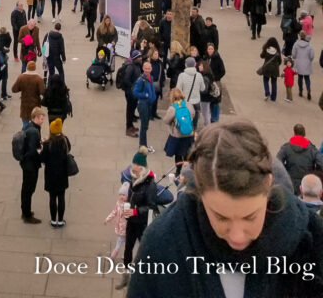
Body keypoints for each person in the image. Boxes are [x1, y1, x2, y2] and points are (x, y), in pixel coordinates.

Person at [127, 120, 323, 298]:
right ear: (200, 192)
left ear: (268, 185)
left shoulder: (312, 239)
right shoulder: (160, 243)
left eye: (249, 217)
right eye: (221, 218)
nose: (237, 237)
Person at [121, 147, 158, 273]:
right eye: (134, 163)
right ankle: (126, 267)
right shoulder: (134, 177)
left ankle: (145, 270)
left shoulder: (149, 183)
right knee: (128, 245)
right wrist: (127, 201)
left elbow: (152, 206)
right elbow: (133, 195)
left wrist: (135, 211)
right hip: (131, 220)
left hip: (142, 222)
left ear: (142, 167)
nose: (133, 166)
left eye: (136, 164)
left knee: (144, 247)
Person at [39, 118, 71, 228]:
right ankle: (61, 220)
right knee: (61, 197)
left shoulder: (48, 144)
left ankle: (53, 220)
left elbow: (42, 158)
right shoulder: (65, 141)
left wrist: (42, 147)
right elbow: (68, 150)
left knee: (52, 197)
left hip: (51, 174)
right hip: (62, 174)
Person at [276, 124, 323, 195]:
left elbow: (277, 162)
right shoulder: (312, 149)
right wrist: (314, 172)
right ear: (304, 134)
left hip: (290, 182)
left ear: (294, 133)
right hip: (306, 184)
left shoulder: (286, 147)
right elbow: (321, 163)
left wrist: (285, 170)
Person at [162, 86, 195, 180]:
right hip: (189, 134)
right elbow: (193, 114)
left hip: (177, 136)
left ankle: (178, 171)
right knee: (187, 153)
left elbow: (166, 120)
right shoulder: (188, 105)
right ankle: (188, 171)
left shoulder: (173, 108)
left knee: (178, 154)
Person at [21, 107, 45, 224]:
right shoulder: (34, 131)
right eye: (41, 118)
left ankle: (25, 211)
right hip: (30, 165)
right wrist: (41, 151)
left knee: (27, 188)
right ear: (35, 118)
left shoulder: (30, 127)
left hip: (26, 163)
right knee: (29, 189)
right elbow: (32, 151)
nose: (42, 121)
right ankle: (26, 214)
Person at [12, 61, 45, 128]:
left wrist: (22, 88)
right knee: (36, 124)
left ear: (27, 67)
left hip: (25, 104)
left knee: (25, 124)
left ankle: (25, 136)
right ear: (35, 68)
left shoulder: (21, 77)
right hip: (35, 104)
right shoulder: (39, 79)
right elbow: (43, 92)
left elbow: (14, 89)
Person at [132, 60, 157, 150]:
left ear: (151, 69)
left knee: (145, 126)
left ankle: (144, 145)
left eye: (149, 68)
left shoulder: (151, 77)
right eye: (145, 68)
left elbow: (152, 89)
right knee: (144, 126)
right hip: (143, 105)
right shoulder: (141, 80)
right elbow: (135, 92)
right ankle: (142, 146)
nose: (147, 70)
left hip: (149, 104)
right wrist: (145, 95)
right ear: (143, 69)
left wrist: (153, 97)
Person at [105, 184, 133, 258]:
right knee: (122, 240)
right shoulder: (118, 203)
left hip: (128, 228)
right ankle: (120, 254)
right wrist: (108, 219)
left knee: (124, 241)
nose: (121, 196)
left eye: (123, 195)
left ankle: (115, 255)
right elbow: (114, 212)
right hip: (121, 227)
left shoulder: (130, 205)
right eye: (120, 194)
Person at [292, 30, 314, 100]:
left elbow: (294, 55)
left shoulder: (296, 44)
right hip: (307, 64)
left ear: (299, 36)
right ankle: (308, 89)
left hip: (299, 63)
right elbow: (312, 56)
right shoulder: (309, 45)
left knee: (300, 78)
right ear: (305, 36)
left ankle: (300, 91)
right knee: (307, 78)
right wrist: (309, 60)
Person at [258, 36, 282, 102]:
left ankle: (267, 93)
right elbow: (280, 61)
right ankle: (273, 97)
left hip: (267, 68)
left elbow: (261, 56)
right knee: (274, 82)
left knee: (265, 80)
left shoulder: (266, 49)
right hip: (275, 69)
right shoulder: (277, 51)